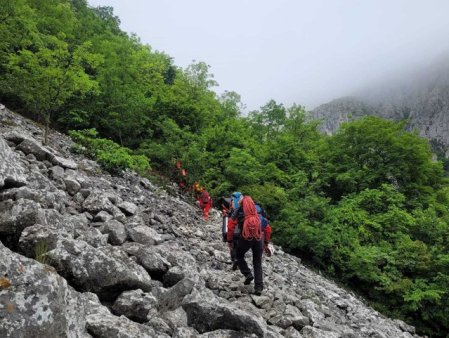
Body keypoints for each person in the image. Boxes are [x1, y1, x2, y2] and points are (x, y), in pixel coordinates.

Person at [227, 194, 271, 295]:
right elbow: (268, 228)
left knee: (239, 255)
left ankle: (247, 274)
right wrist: (266, 243)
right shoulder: (258, 210)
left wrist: (230, 241)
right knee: (257, 262)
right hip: (259, 238)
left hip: (246, 238)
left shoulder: (239, 210)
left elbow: (230, 225)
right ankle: (258, 287)